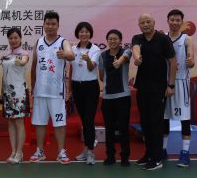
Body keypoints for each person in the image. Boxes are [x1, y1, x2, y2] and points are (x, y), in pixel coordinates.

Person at [131, 13, 177, 171]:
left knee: (156, 122)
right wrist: (137, 58)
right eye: (142, 22)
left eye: (148, 22)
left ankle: (157, 158)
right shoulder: (137, 38)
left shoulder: (163, 39)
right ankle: (149, 153)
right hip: (142, 87)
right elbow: (135, 48)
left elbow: (172, 62)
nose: (145, 25)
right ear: (139, 25)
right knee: (145, 122)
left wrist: (171, 85)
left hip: (159, 88)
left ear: (154, 23)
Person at [29, 11, 75, 164]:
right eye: (47, 23)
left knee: (59, 123)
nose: (50, 26)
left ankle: (61, 152)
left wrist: (65, 54)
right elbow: (34, 66)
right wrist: (33, 88)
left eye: (53, 24)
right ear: (43, 25)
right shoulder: (38, 42)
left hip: (57, 92)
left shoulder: (63, 42)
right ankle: (39, 151)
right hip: (40, 91)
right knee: (40, 123)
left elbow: (71, 55)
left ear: (58, 25)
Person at [163, 9, 195, 167]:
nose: (175, 22)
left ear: (182, 22)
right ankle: (163, 151)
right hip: (164, 83)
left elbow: (191, 59)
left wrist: (191, 61)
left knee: (185, 120)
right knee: (163, 119)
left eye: (178, 20)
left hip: (181, 82)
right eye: (172, 20)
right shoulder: (162, 38)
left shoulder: (187, 39)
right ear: (167, 21)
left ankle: (185, 153)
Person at [68, 21, 101, 165]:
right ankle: (87, 150)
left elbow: (91, 67)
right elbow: (71, 69)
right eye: (81, 31)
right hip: (77, 86)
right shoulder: (72, 49)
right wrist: (70, 89)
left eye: (86, 31)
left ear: (90, 34)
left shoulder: (95, 49)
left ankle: (91, 152)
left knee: (89, 120)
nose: (84, 34)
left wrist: (87, 60)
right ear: (78, 33)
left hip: (90, 87)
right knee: (84, 120)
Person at [99, 29, 132, 166]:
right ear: (107, 41)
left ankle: (125, 157)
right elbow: (101, 75)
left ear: (120, 40)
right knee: (109, 128)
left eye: (115, 39)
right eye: (110, 39)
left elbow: (128, 54)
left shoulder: (125, 52)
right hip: (107, 98)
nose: (112, 41)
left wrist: (119, 61)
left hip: (123, 97)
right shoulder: (103, 55)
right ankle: (110, 156)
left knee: (123, 128)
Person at [0, 27, 30, 164]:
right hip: (7, 93)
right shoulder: (6, 55)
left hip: (19, 92)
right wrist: (2, 92)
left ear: (20, 38)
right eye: (11, 38)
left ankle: (19, 152)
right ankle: (13, 151)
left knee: (19, 122)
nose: (13, 40)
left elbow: (24, 61)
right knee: (10, 122)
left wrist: (21, 61)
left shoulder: (24, 53)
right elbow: (4, 76)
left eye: (16, 37)